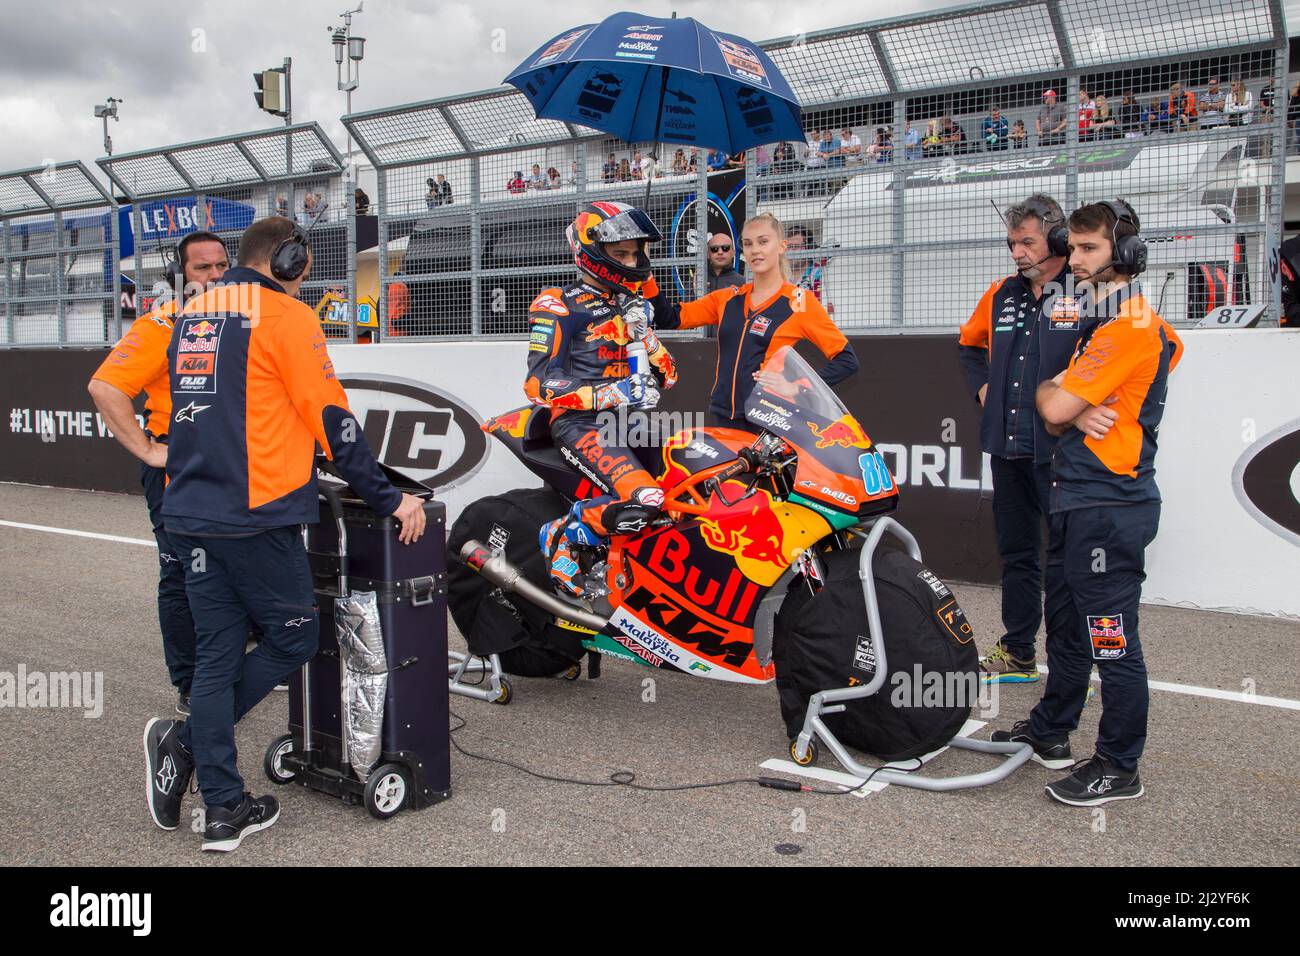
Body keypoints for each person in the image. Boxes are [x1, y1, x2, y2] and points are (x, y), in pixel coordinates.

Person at [142, 216, 427, 851]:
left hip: (187, 509)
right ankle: (186, 742)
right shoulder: (287, 317)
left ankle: (223, 808)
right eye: (303, 263)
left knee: (217, 654)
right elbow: (333, 420)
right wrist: (388, 496)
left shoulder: (196, 311)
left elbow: (232, 406)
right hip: (255, 514)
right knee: (296, 635)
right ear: (290, 259)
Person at [994, 199, 1183, 806]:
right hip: (1077, 498)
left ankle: (1119, 765)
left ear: (1125, 254)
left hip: (1108, 507)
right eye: (1070, 248)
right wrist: (1079, 401)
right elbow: (1057, 412)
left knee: (1112, 638)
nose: (1072, 260)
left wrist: (1078, 401)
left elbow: (1049, 410)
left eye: (1087, 249)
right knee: (1069, 626)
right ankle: (1052, 732)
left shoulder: (1126, 326)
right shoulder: (1101, 323)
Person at [89, 232, 230, 718]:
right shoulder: (162, 322)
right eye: (202, 268)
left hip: (231, 470)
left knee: (227, 568)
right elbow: (106, 386)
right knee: (181, 574)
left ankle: (226, 666)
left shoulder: (244, 320)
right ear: (181, 276)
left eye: (221, 266)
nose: (214, 276)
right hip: (177, 470)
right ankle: (191, 682)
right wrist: (150, 451)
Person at [525, 202, 678, 597]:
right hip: (580, 424)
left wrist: (644, 335)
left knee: (689, 488)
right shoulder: (557, 303)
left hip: (628, 422)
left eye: (636, 252)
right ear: (591, 250)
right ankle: (565, 530)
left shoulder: (633, 305)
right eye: (621, 253)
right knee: (646, 499)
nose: (633, 260)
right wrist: (614, 391)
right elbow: (537, 384)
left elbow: (669, 376)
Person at [957, 195, 1074, 683]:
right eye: (1012, 243)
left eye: (1027, 242)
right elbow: (967, 346)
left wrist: (1092, 402)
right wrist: (983, 386)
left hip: (1063, 457)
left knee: (1067, 564)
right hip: (1006, 451)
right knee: (1019, 554)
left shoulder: (1092, 291)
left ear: (1058, 238)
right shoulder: (1001, 293)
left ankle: (1071, 667)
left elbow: (1161, 348)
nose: (1018, 253)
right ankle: (1019, 652)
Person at [650, 213, 858, 431]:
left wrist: (796, 388)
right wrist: (645, 277)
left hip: (767, 422)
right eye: (748, 244)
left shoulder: (799, 301)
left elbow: (847, 361)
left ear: (781, 246)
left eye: (763, 241)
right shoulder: (728, 298)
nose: (755, 250)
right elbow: (670, 318)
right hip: (723, 417)